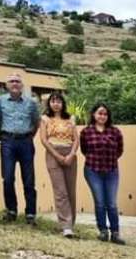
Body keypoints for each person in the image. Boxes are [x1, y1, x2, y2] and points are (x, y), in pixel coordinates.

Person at [0, 73, 41, 224]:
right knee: (8, 178)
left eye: (17, 81)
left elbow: (36, 122)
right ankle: (11, 210)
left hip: (26, 142)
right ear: (6, 85)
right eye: (11, 81)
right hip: (7, 141)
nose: (14, 84)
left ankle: (30, 213)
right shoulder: (1, 101)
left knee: (29, 179)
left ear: (22, 85)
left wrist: (28, 137)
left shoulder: (31, 102)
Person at [81, 103, 125, 245]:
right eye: (99, 113)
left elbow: (119, 150)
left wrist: (108, 160)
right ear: (94, 115)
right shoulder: (86, 132)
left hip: (111, 171)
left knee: (111, 203)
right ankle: (103, 231)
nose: (102, 116)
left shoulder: (115, 132)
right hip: (93, 170)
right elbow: (84, 150)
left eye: (105, 114)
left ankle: (115, 233)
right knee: (100, 202)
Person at [40, 93, 79, 238]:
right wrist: (57, 156)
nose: (56, 104)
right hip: (53, 154)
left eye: (59, 101)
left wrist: (71, 154)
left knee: (70, 191)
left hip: (70, 155)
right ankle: (66, 226)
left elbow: (76, 139)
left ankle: (71, 223)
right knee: (60, 191)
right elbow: (44, 140)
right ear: (49, 103)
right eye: (53, 101)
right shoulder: (45, 119)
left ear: (63, 104)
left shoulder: (71, 119)